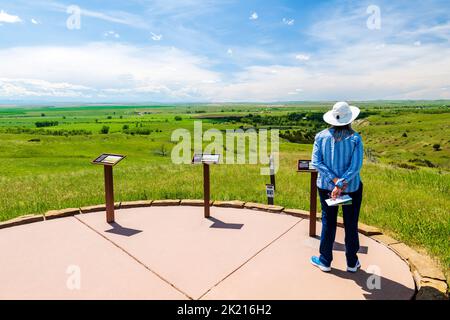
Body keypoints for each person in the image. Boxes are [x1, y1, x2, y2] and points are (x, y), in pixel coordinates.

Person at [310, 101, 364, 273]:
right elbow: (356, 166)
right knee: (350, 223)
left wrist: (334, 182)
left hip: (327, 187)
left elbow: (317, 162)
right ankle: (352, 262)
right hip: (351, 188)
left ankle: (325, 260)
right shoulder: (355, 138)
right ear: (350, 119)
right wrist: (341, 183)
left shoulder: (320, 136)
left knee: (328, 221)